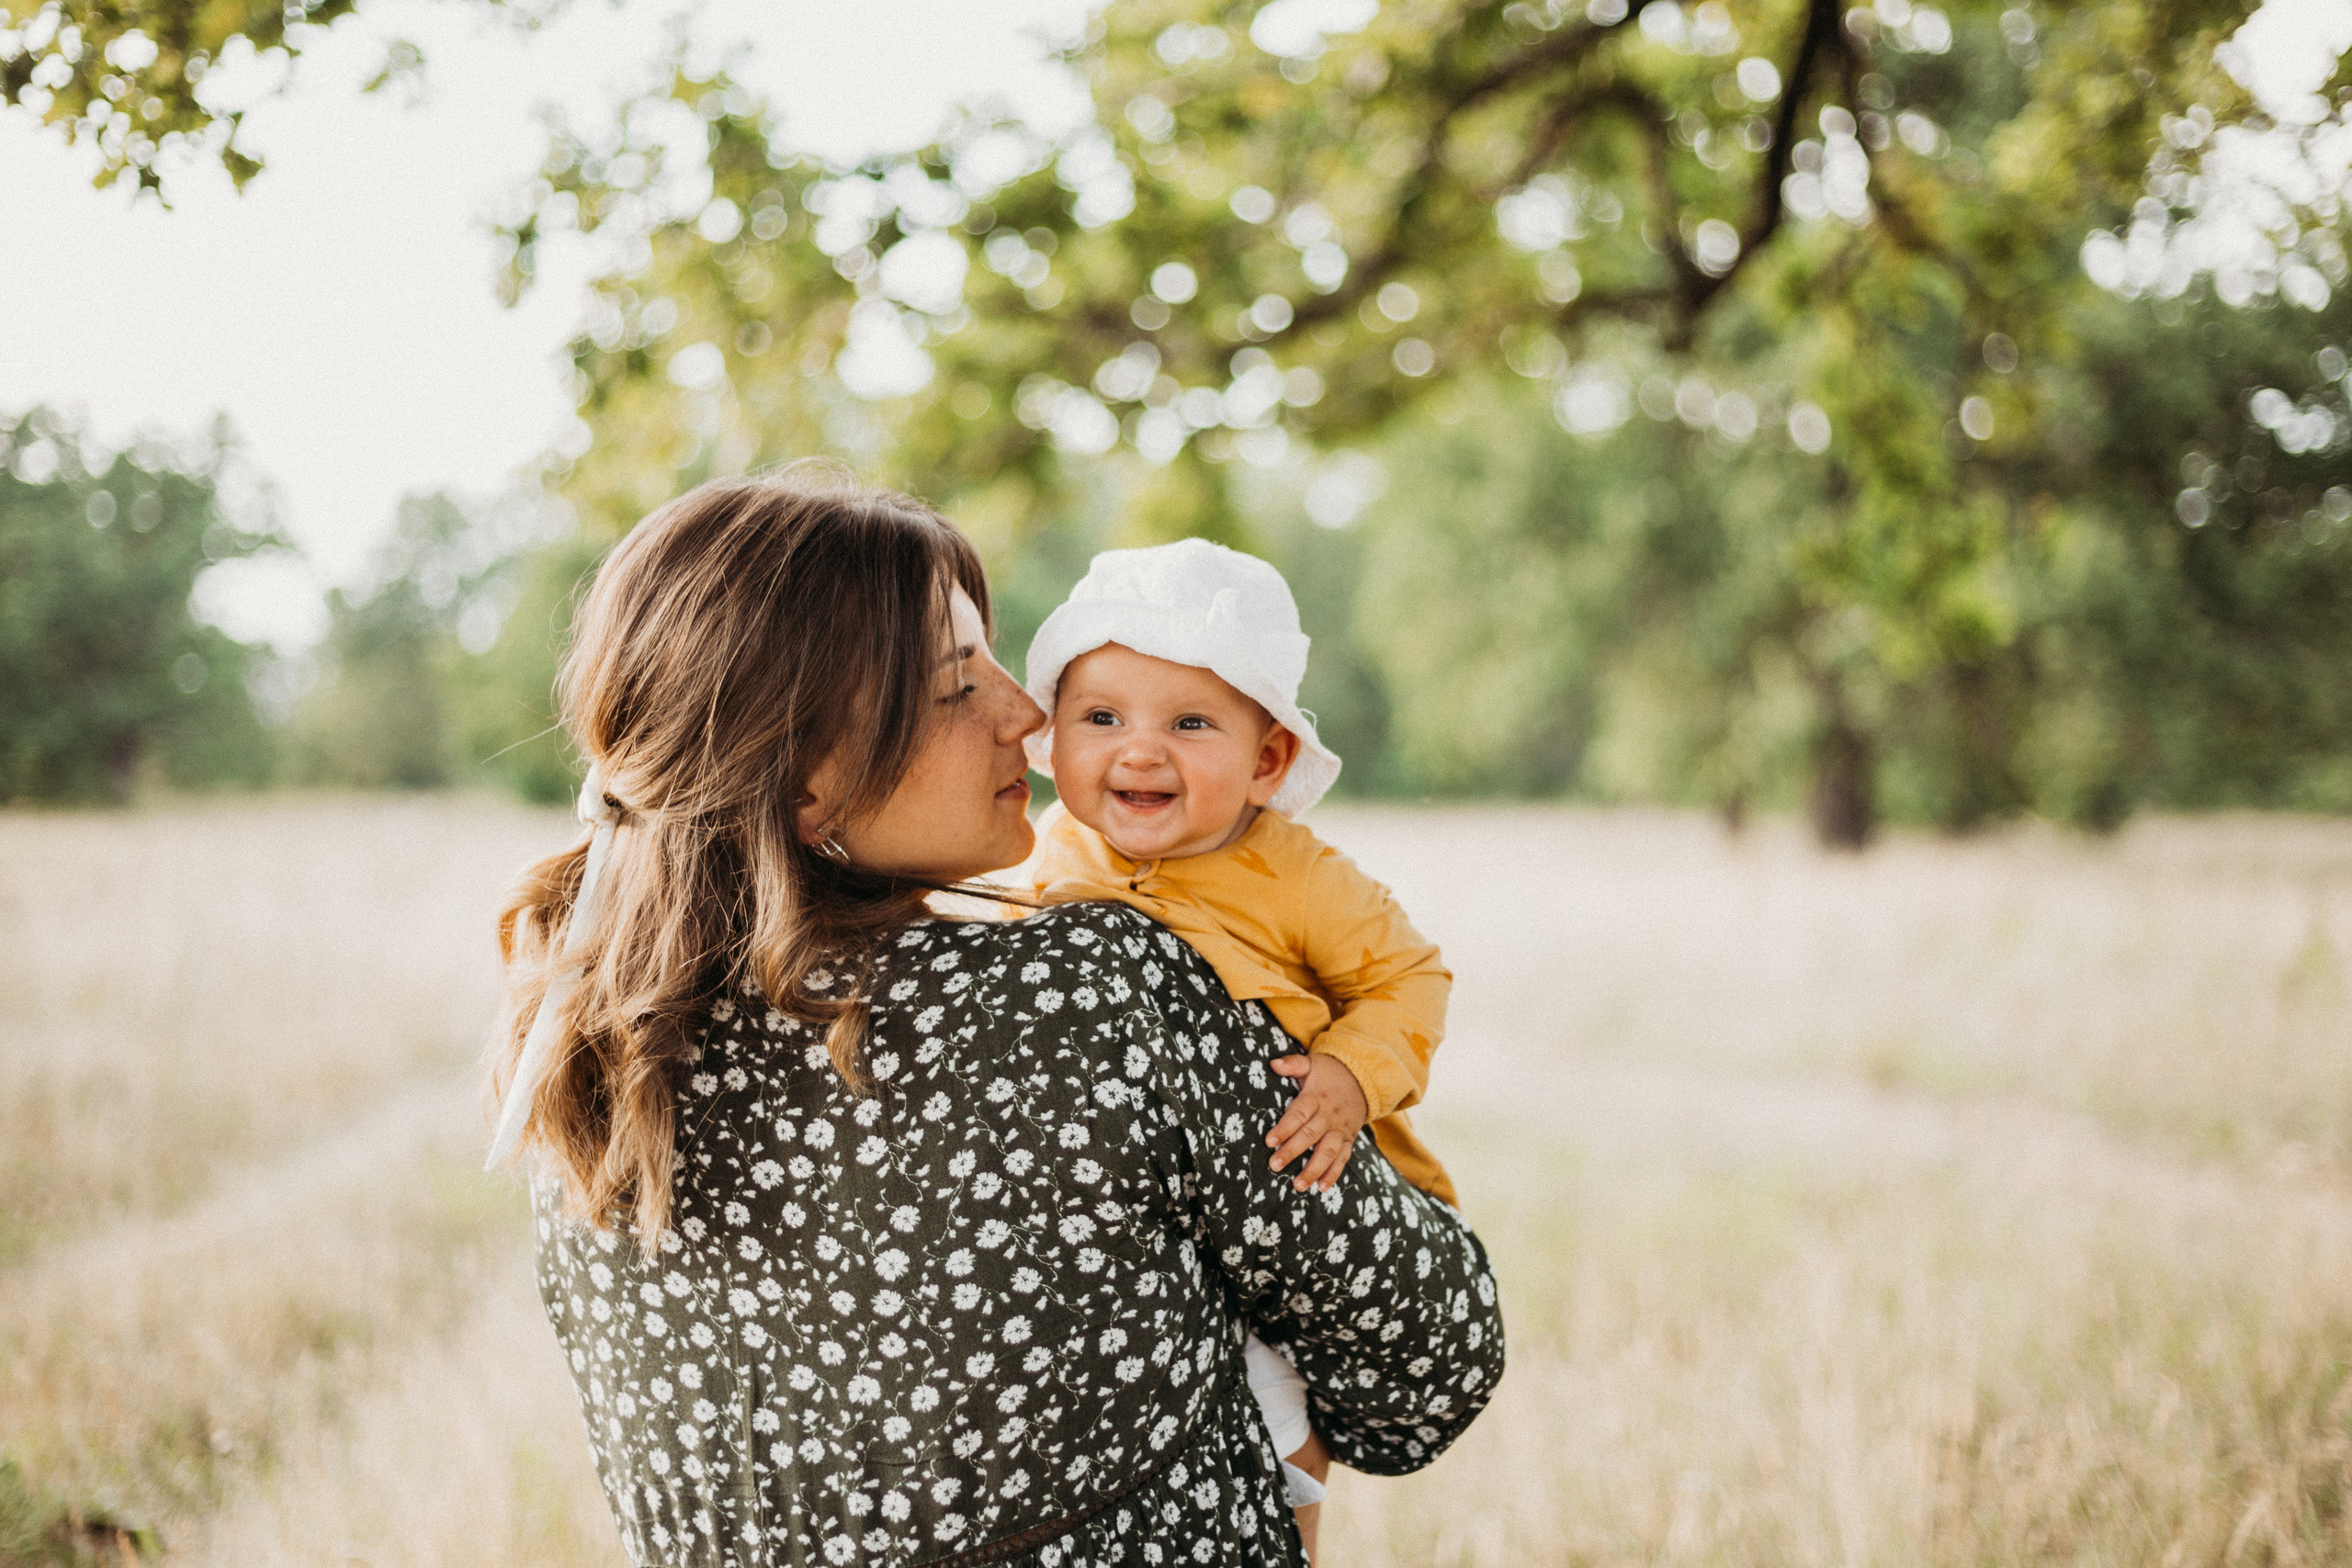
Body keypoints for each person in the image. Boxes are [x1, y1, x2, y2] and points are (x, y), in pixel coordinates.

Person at [489, 470, 1503, 1566]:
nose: (1027, 716)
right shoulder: (1090, 989)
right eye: (954, 684)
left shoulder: (589, 1051)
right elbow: (1428, 1365)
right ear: (804, 783)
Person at [1018, 538, 1455, 1557]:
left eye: (1189, 723)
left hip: (1289, 1185)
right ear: (1053, 738)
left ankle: (1291, 1537)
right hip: (1147, 1218)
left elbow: (1410, 978)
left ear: (1267, 760)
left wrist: (1351, 1075)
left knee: (1273, 1402)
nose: (1137, 750)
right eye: (1101, 718)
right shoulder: (1048, 854)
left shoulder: (1294, 872)